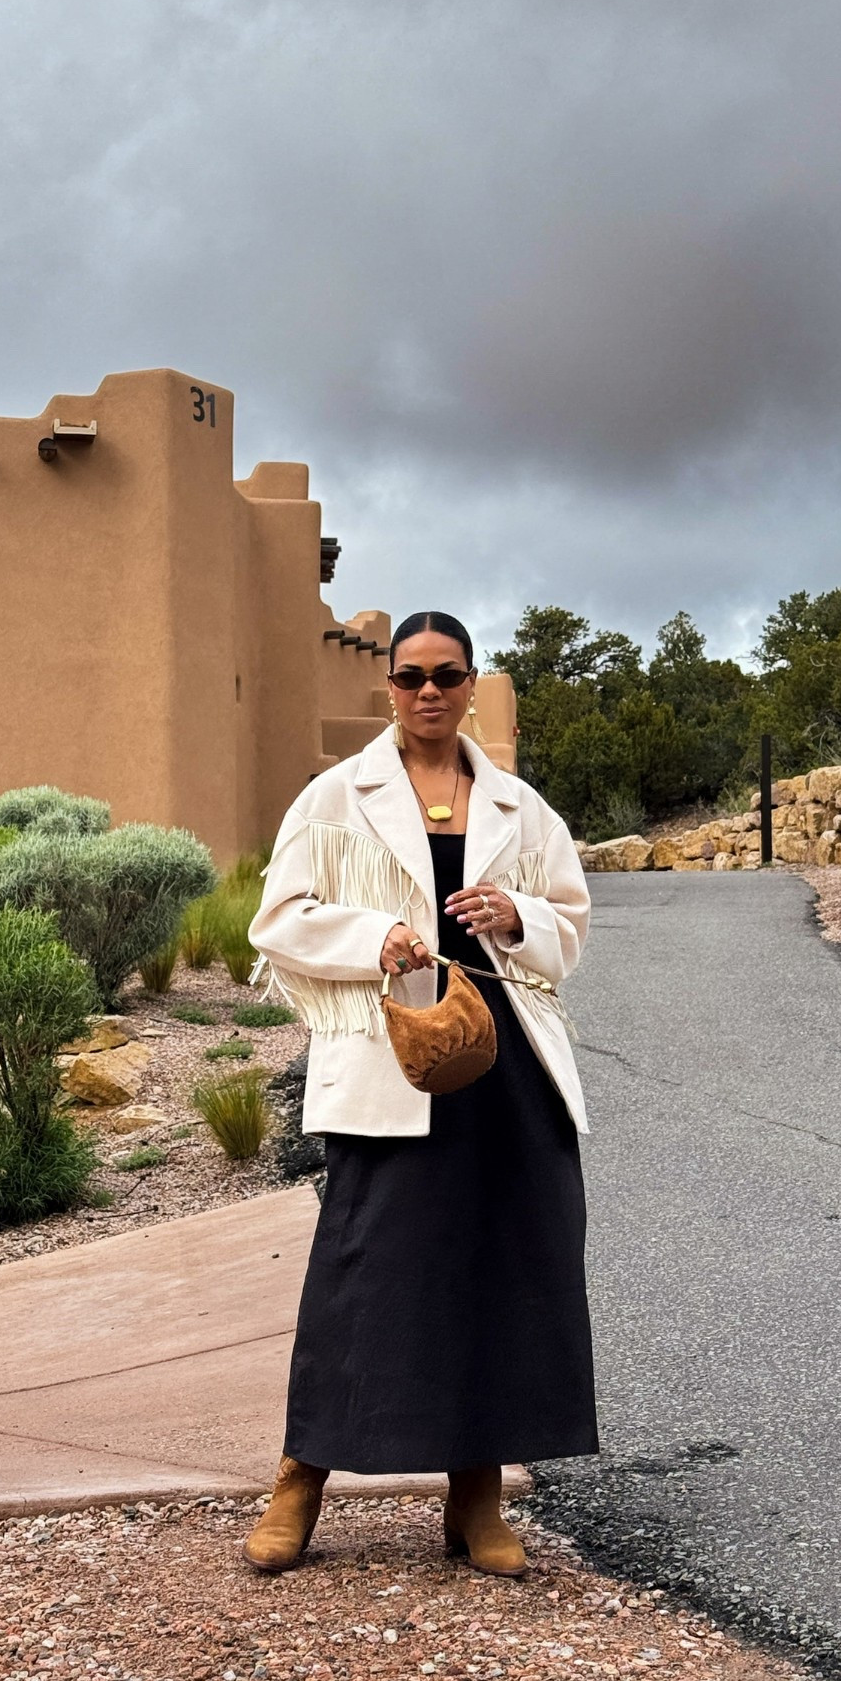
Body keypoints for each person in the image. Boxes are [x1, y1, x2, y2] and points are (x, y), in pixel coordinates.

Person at [242, 610, 597, 1578]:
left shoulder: (521, 805)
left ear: (471, 683)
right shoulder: (335, 795)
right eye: (411, 677)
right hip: (393, 1057)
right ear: (390, 686)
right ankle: (299, 1478)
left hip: (506, 1063)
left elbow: (570, 923)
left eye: (447, 675)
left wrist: (515, 914)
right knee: (365, 1272)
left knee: (503, 1267)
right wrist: (376, 937)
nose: (429, 691)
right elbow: (279, 918)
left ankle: (476, 1493)